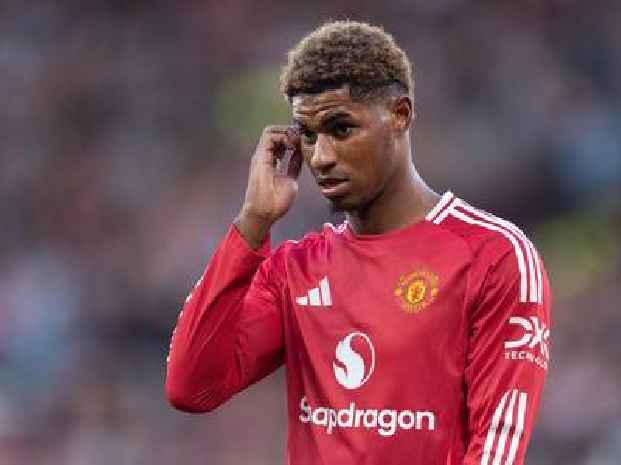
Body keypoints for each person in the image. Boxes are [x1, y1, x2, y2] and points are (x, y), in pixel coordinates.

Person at [165, 20, 551, 465]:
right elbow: (190, 387)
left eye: (341, 128)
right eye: (307, 136)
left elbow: (498, 445)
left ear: (400, 115)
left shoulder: (494, 255)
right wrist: (252, 223)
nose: (322, 157)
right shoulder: (295, 271)